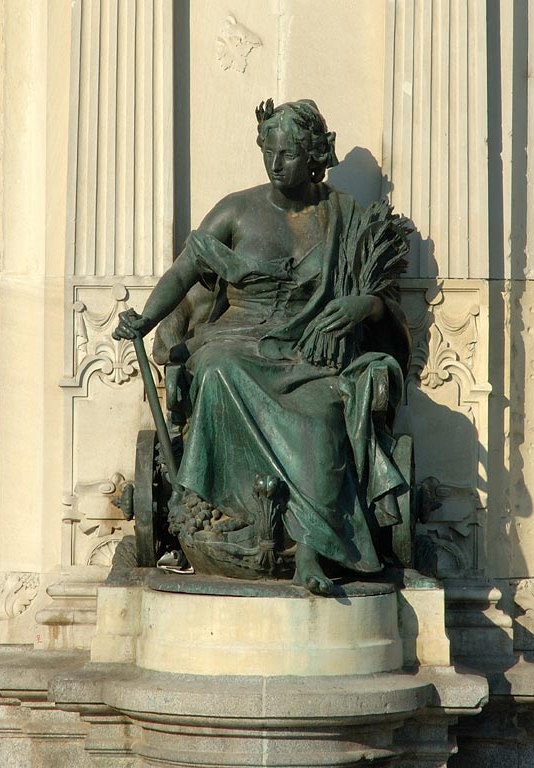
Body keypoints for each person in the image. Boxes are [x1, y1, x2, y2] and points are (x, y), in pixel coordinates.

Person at [113, 99, 412, 594]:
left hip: (309, 354)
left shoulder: (347, 218)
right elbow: (184, 271)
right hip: (235, 342)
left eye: (289, 154)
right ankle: (236, 517)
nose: (276, 163)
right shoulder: (236, 210)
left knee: (322, 415)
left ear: (314, 156)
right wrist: (146, 319)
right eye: (268, 151)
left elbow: (386, 305)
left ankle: (309, 550)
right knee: (216, 370)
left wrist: (364, 307)